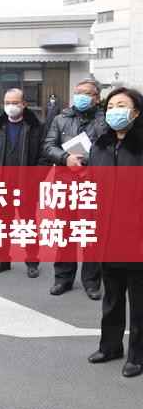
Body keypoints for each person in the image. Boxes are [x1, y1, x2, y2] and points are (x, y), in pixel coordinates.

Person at [88, 87, 143, 378]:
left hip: (137, 234)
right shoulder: (100, 145)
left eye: (122, 105)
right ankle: (110, 346)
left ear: (136, 112)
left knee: (139, 301)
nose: (115, 111)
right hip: (108, 233)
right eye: (110, 106)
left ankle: (137, 355)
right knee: (112, 297)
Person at [43, 79, 107, 300]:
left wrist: (89, 161)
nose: (81, 97)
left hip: (92, 184)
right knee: (64, 232)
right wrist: (65, 158)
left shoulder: (104, 120)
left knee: (90, 233)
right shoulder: (60, 119)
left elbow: (109, 148)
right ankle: (63, 278)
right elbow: (48, 146)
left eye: (87, 93)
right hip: (65, 182)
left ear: (96, 98)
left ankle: (92, 281)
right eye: (78, 92)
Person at [0, 88, 45, 279]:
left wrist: (35, 179)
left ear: (24, 104)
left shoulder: (36, 127)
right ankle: (3, 259)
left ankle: (32, 260)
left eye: (15, 103)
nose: (11, 106)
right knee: (3, 224)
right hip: (2, 184)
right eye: (7, 103)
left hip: (26, 184)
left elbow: (44, 158)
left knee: (28, 223)